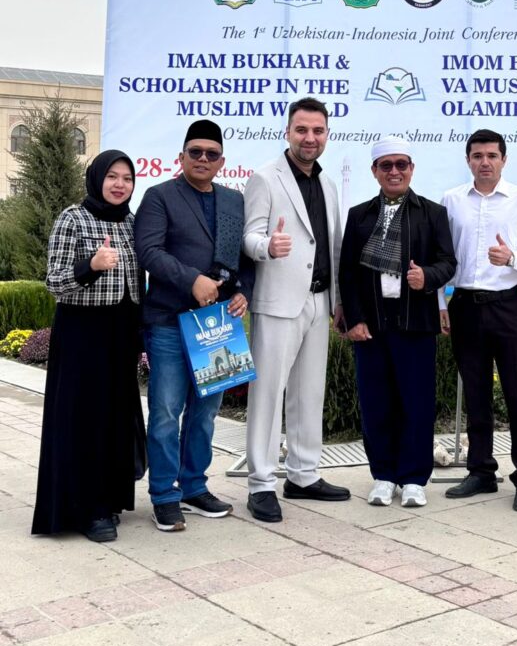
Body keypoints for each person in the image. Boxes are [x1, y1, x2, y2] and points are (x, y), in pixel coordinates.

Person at [134, 123, 252, 532]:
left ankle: (194, 486)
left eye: (211, 154)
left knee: (206, 413)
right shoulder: (159, 196)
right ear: (181, 157)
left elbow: (244, 258)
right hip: (170, 320)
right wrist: (192, 280)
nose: (203, 159)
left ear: (222, 161)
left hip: (218, 324)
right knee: (166, 412)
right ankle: (164, 495)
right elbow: (148, 250)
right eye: (195, 152)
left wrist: (244, 291)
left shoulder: (234, 200)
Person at [242, 98, 350, 524]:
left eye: (318, 131)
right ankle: (261, 483)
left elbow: (334, 247)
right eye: (302, 130)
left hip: (319, 300)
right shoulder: (264, 178)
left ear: (327, 135)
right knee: (268, 394)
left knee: (309, 392)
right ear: (287, 132)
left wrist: (338, 301)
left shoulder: (328, 184)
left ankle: (303, 475)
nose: (310, 138)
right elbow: (250, 236)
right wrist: (267, 246)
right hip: (277, 302)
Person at [32, 151, 145, 543]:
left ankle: (108, 499)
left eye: (127, 178)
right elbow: (54, 282)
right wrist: (91, 266)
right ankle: (84, 508)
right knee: (84, 417)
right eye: (112, 176)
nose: (119, 185)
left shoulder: (131, 222)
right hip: (83, 333)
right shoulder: (73, 218)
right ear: (96, 178)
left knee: (115, 416)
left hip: (121, 332)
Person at [338, 136, 456, 508]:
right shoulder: (360, 215)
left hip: (415, 322)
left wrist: (428, 277)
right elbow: (348, 274)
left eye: (401, 164)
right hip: (372, 325)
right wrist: (354, 319)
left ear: (411, 169)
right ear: (374, 171)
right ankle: (384, 476)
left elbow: (448, 262)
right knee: (376, 403)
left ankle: (414, 478)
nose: (394, 171)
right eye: (386, 165)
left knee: (416, 402)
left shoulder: (431, 213)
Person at [439, 130, 517, 512]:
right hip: (466, 304)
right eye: (478, 156)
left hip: (509, 306)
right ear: (468, 160)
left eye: (492, 156)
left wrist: (511, 258)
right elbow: (442, 256)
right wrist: (440, 302)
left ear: (504, 160)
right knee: (476, 392)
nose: (485, 162)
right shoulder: (451, 200)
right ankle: (480, 470)